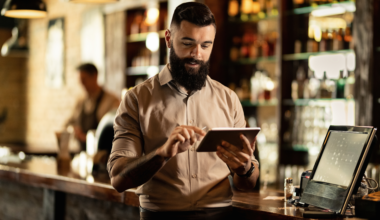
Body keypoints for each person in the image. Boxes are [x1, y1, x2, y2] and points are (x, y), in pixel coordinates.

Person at [107, 2, 259, 219]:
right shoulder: (136, 99)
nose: (196, 54)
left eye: (206, 45)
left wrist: (246, 169)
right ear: (168, 38)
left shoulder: (229, 99)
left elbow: (248, 185)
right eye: (188, 43)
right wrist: (162, 154)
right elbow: (118, 179)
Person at [66, 63, 120, 150]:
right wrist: (73, 130)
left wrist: (89, 138)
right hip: (82, 153)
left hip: (103, 154)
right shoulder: (80, 101)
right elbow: (68, 123)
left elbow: (115, 129)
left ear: (95, 76)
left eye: (84, 79)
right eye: (80, 80)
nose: (81, 84)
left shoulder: (111, 100)